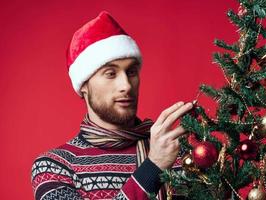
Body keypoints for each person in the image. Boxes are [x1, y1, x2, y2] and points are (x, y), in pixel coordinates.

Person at [31, 11, 193, 200]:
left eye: (131, 72)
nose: (126, 86)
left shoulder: (180, 155)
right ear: (84, 85)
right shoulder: (54, 166)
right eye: (110, 74)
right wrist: (154, 166)